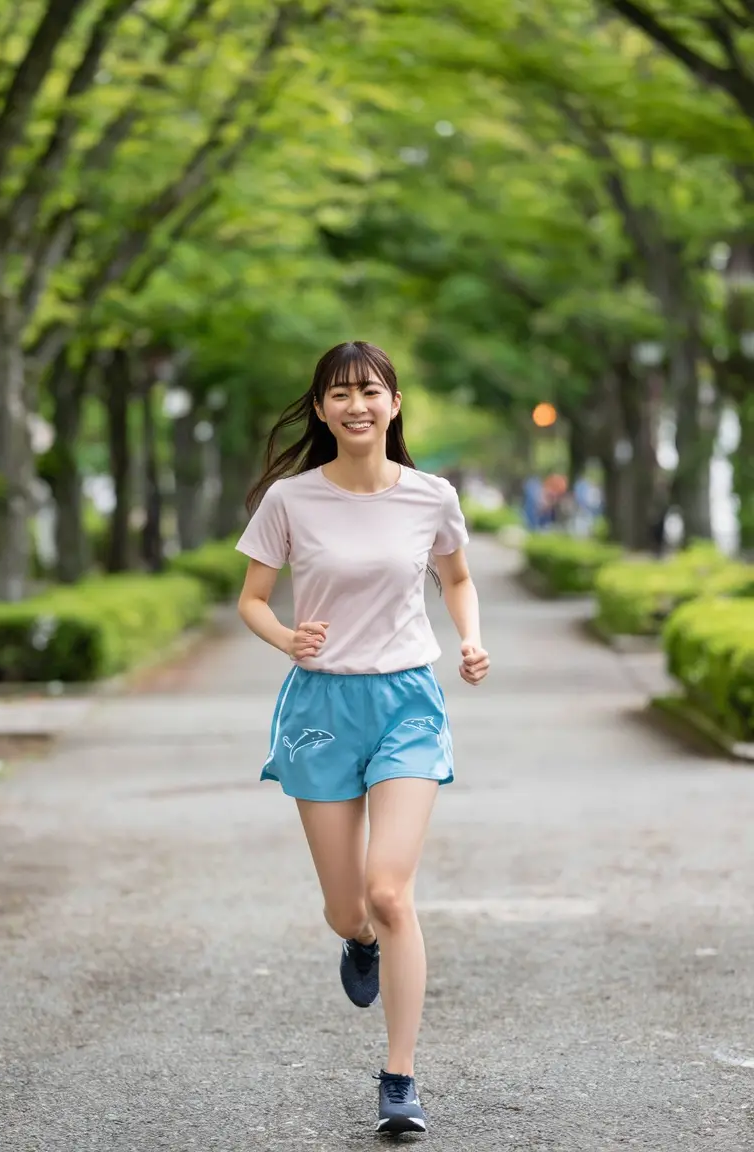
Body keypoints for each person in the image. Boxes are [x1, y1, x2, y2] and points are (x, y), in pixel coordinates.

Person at [235, 341, 490, 1136]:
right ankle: (358, 942)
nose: (356, 405)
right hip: (320, 709)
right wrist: (285, 638)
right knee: (348, 909)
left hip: (407, 702)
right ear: (320, 410)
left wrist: (471, 639)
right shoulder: (290, 500)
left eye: (370, 391)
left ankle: (400, 1079)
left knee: (390, 892)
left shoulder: (430, 495)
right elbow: (252, 598)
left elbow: (456, 576)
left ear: (395, 403)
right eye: (340, 394)